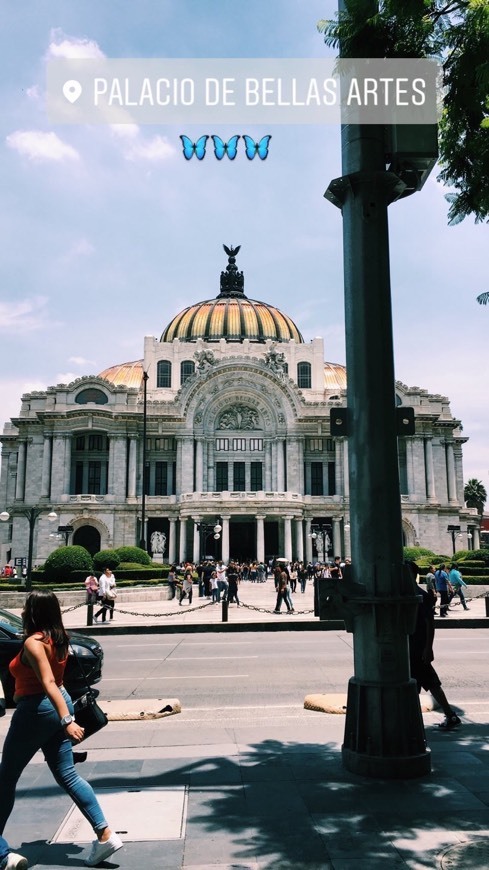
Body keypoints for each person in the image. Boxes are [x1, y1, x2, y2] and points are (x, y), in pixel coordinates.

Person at [0, 590, 123, 868]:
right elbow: (58, 681)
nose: (21, 610)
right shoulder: (58, 637)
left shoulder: (34, 642)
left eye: (26, 606)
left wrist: (67, 721)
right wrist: (63, 714)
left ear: (34, 612)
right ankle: (105, 835)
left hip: (36, 710)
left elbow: (47, 682)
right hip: (56, 705)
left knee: (6, 779)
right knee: (67, 775)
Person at [408, 565, 461, 730]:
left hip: (418, 648)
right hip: (412, 647)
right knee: (427, 683)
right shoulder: (408, 595)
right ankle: (449, 715)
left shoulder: (420, 596)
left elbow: (430, 623)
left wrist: (428, 648)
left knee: (423, 683)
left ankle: (414, 722)